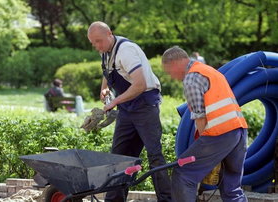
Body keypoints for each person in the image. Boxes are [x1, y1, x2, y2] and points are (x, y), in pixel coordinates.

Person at [87, 21, 171, 202]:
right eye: (93, 43)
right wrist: (105, 88)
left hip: (145, 106)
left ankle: (167, 199)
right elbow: (107, 72)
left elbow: (140, 85)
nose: (97, 46)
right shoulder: (106, 51)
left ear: (109, 33)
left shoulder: (126, 51)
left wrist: (114, 102)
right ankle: (114, 200)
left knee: (154, 155)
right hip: (126, 109)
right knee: (119, 156)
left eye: (99, 41)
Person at [161, 46, 248, 202]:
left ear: (175, 63)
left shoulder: (191, 78)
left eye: (169, 72)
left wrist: (207, 150)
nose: (172, 77)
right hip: (239, 131)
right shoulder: (210, 71)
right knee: (231, 188)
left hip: (218, 135)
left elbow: (200, 118)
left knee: (183, 174)